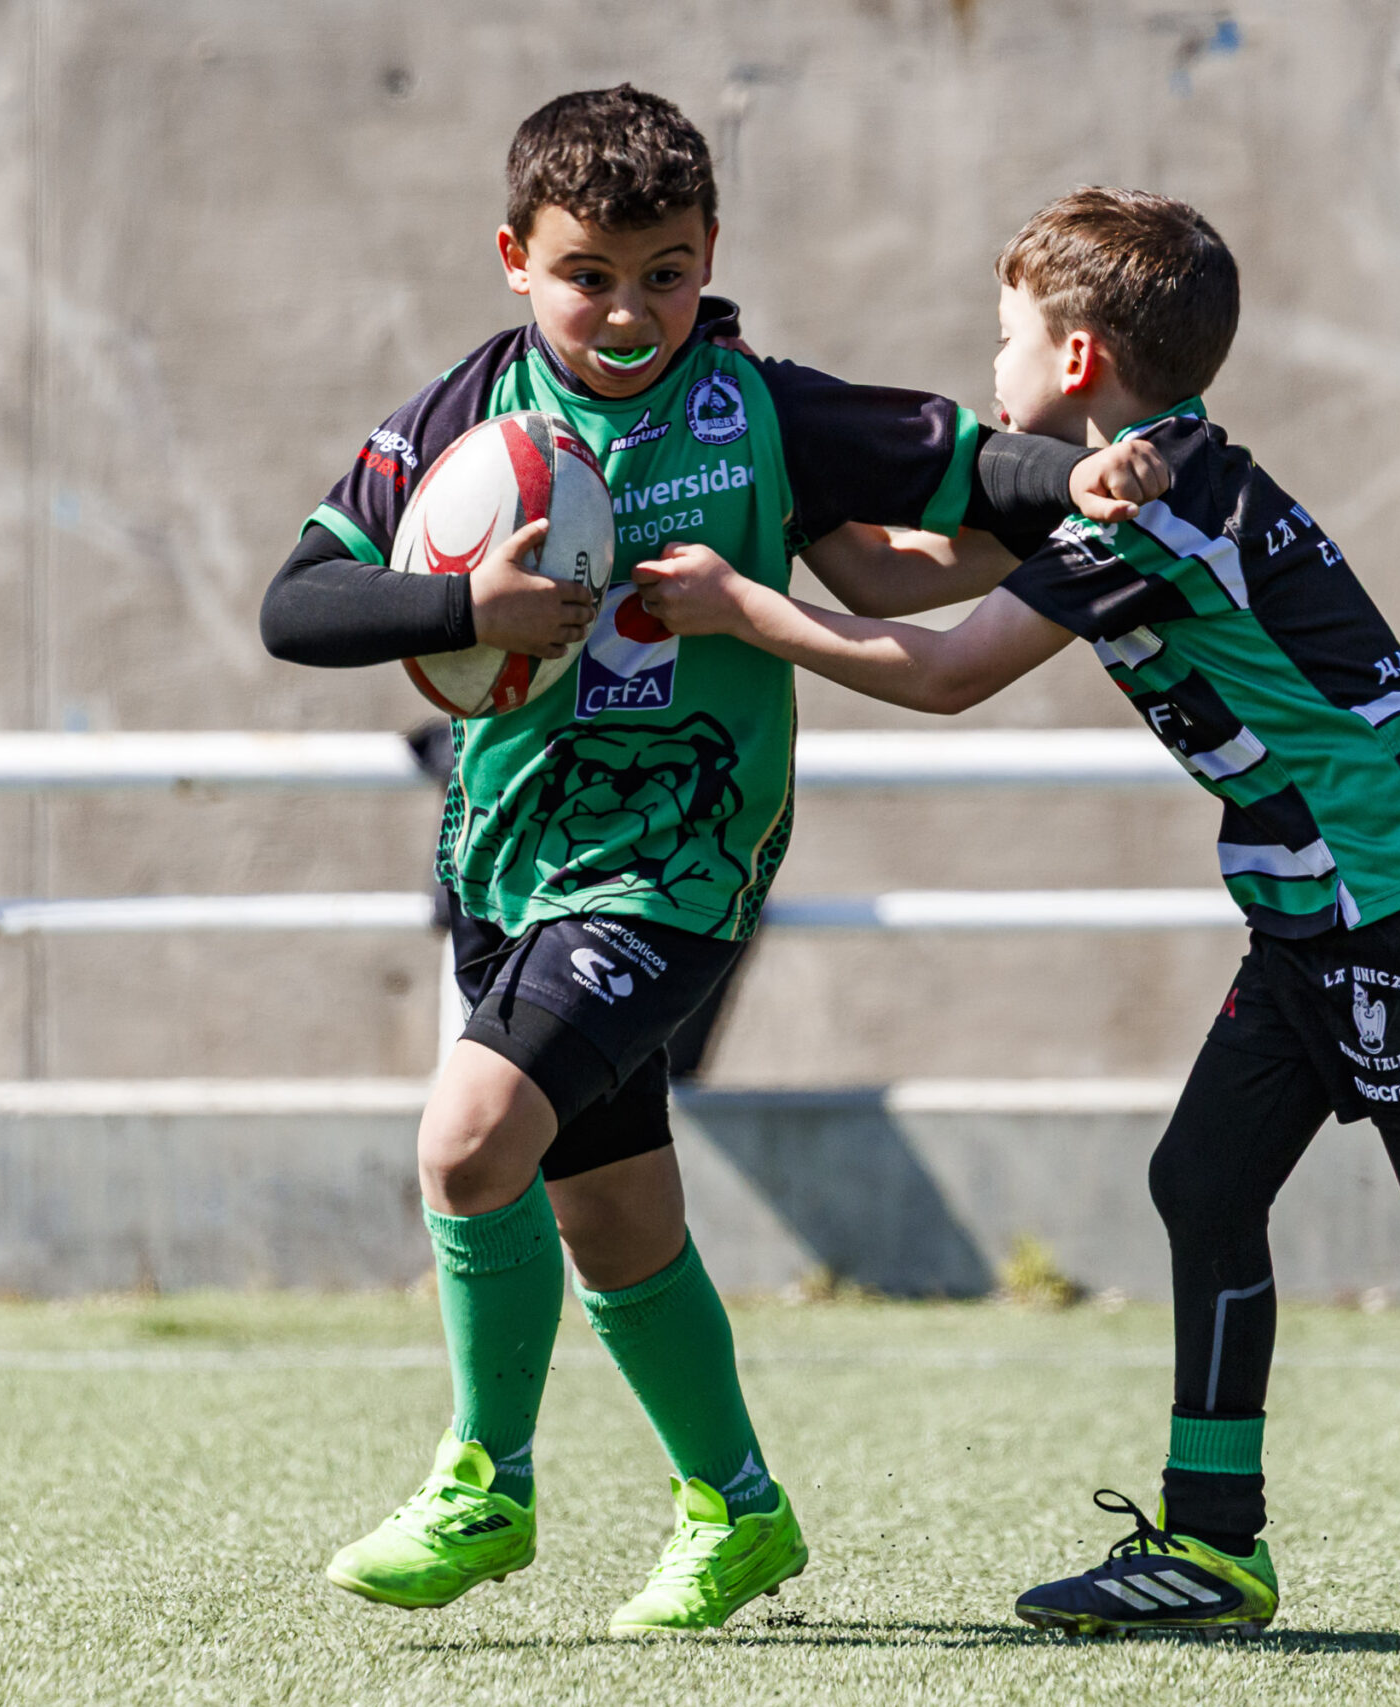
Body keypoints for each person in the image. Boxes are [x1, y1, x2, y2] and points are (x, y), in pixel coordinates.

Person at [633, 187, 1400, 1643]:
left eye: (1005, 331)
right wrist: (776, 455)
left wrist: (732, 605)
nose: (992, 359)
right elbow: (894, 567)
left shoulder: (1150, 505)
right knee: (1203, 1182)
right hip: (1323, 901)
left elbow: (945, 668)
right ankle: (1213, 1550)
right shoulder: (1136, 478)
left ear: (1075, 358)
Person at [257, 90, 1166, 1635]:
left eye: (665, 272)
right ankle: (738, 1511)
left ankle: (484, 1481)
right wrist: (462, 615)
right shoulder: (456, 425)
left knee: (470, 1139)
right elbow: (298, 606)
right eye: (589, 274)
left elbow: (956, 464)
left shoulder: (758, 409)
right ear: (514, 259)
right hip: (508, 863)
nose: (629, 311)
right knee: (614, 1221)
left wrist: (1073, 479)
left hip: (681, 859)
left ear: (711, 256)